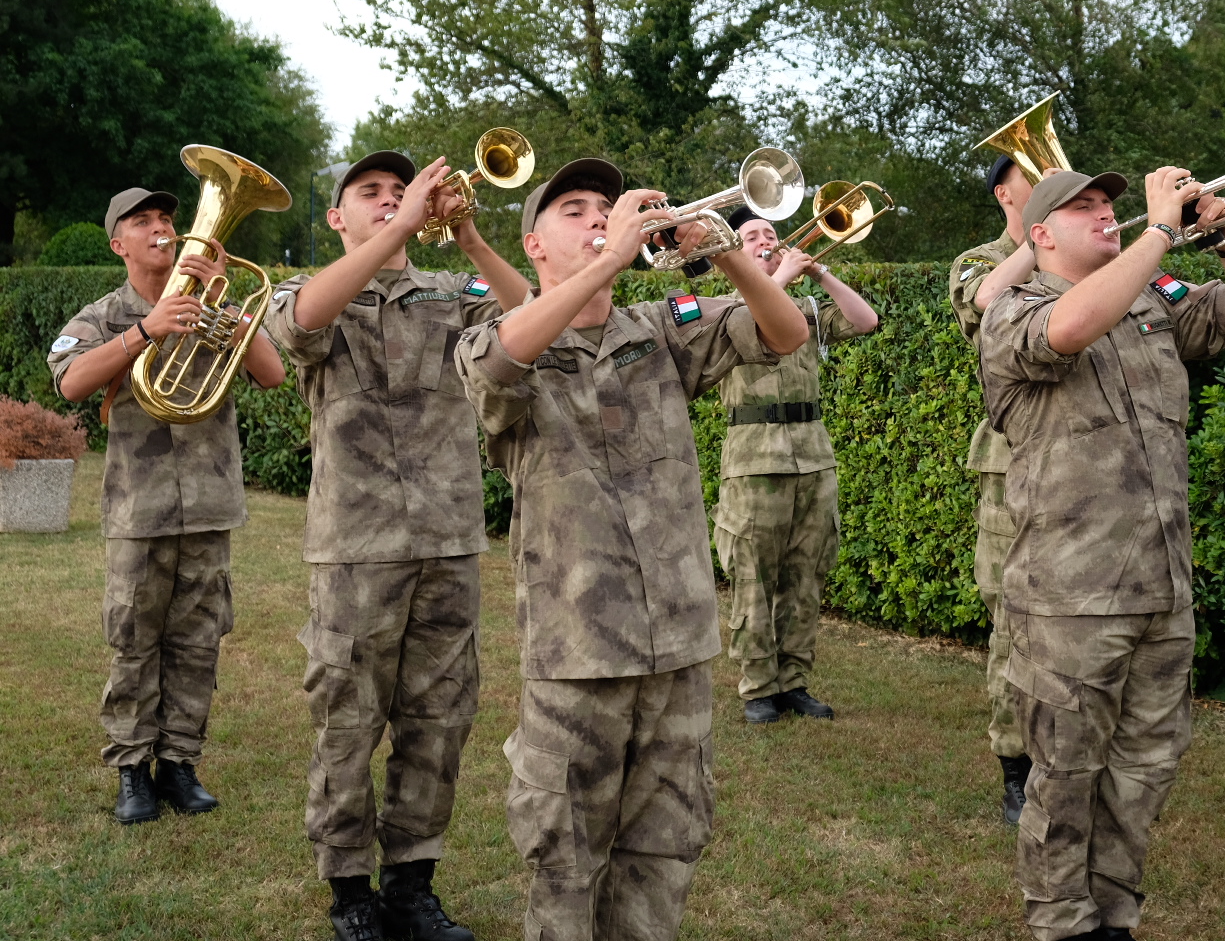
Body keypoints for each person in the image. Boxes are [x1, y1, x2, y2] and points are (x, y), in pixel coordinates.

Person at [454, 158, 808, 941]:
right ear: (534, 245)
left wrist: (724, 250)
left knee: (665, 849)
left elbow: (787, 331)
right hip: (577, 653)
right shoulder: (496, 343)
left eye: (606, 209)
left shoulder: (659, 329)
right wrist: (613, 257)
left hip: (679, 645)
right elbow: (503, 362)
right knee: (565, 856)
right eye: (574, 210)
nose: (598, 219)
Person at [979, 166, 1225, 941]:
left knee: (1146, 767)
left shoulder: (1153, 298)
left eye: (1109, 205)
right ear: (1039, 234)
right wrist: (1156, 230)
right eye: (1083, 210)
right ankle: (1059, 919)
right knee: (1066, 775)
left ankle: (1112, 912)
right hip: (1069, 595)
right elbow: (1072, 329)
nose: (1105, 216)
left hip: (1160, 586)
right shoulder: (1012, 308)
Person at [264, 151, 531, 941]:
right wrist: (398, 230)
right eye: (370, 194)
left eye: (399, 191)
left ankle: (412, 885)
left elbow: (529, 319)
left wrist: (474, 238)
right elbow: (300, 327)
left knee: (440, 720)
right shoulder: (308, 291)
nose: (390, 201)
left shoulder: (454, 292)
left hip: (448, 540)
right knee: (348, 719)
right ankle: (349, 890)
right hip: (355, 546)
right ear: (336, 219)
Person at [49, 187, 286, 825]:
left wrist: (227, 310)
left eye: (166, 218)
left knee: (197, 640)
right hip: (139, 506)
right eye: (142, 222)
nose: (161, 228)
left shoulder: (215, 305)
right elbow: (70, 381)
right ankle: (132, 769)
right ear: (117, 243)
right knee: (134, 639)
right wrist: (145, 331)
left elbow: (272, 372)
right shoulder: (101, 315)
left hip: (210, 503)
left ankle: (179, 765)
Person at [714, 206, 879, 724]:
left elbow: (865, 320)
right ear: (733, 253)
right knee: (753, 577)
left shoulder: (806, 306)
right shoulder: (725, 305)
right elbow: (756, 313)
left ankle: (794, 680)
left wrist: (820, 272)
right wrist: (777, 278)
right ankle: (758, 685)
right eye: (752, 237)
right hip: (753, 456)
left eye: (771, 233)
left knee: (806, 574)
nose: (765, 240)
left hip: (812, 455)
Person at [947, 154, 1039, 821]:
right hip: (1015, 464)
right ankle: (1016, 767)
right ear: (1007, 194)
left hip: (1091, 464)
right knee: (1014, 624)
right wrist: (1045, 243)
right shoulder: (980, 261)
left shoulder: (1085, 260)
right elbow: (985, 303)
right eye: (1038, 172)